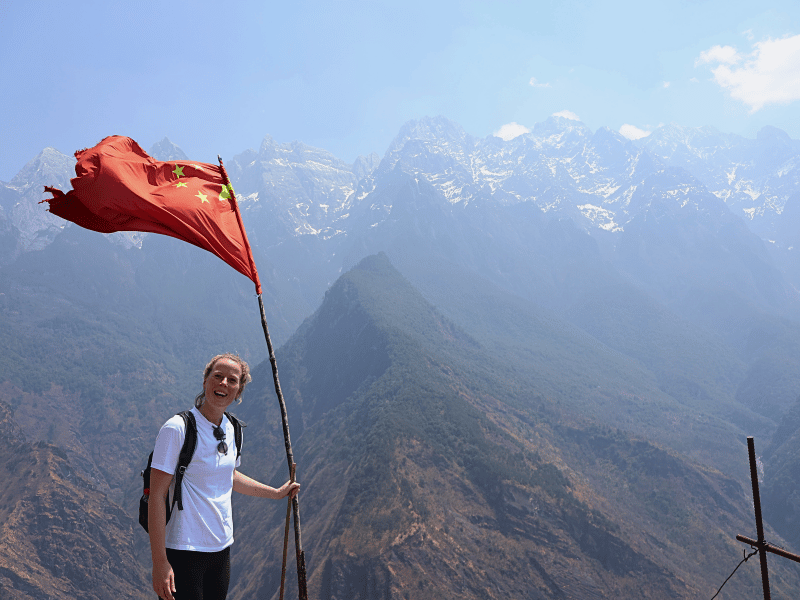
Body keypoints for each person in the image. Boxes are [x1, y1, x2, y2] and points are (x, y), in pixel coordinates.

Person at [148, 353, 300, 600]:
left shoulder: (232, 429)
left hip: (221, 549)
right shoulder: (177, 429)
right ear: (205, 380)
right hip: (184, 550)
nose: (223, 384)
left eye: (232, 380)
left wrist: (275, 493)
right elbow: (156, 496)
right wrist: (159, 562)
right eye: (217, 376)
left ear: (239, 390)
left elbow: (229, 476)